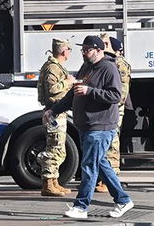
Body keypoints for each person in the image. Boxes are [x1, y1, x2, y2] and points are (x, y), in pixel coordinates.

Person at [50, 35, 134, 220]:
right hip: (85, 124)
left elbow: (115, 96)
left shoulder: (108, 68)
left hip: (100, 126)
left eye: (87, 50)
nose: (84, 53)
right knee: (100, 163)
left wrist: (90, 91)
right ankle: (123, 199)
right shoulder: (86, 67)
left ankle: (81, 206)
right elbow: (73, 94)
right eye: (83, 49)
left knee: (89, 166)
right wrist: (54, 110)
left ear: (99, 50)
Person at [37, 38, 75, 197]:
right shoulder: (53, 68)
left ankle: (54, 182)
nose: (70, 53)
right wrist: (68, 82)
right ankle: (48, 184)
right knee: (54, 149)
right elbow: (53, 89)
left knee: (59, 148)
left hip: (58, 112)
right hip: (54, 112)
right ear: (64, 51)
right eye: (69, 50)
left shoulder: (55, 66)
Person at [100, 35, 132, 187]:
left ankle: (111, 179)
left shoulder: (120, 64)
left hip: (115, 109)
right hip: (107, 107)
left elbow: (122, 92)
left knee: (112, 142)